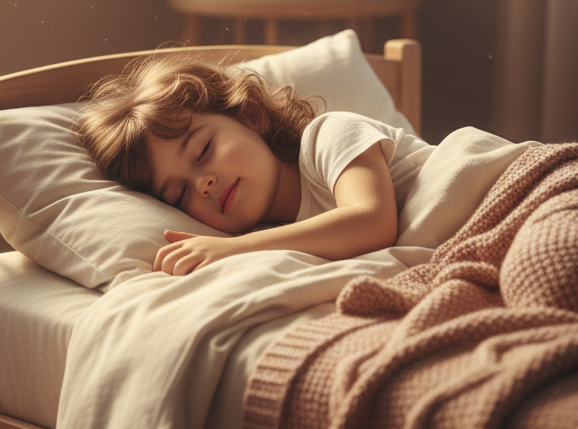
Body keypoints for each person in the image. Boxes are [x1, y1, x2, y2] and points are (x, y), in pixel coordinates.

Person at [76, 56, 435, 276]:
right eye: (180, 192)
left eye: (202, 151)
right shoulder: (278, 235)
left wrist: (233, 249)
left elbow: (373, 221)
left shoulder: (329, 136)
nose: (203, 184)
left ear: (251, 115)